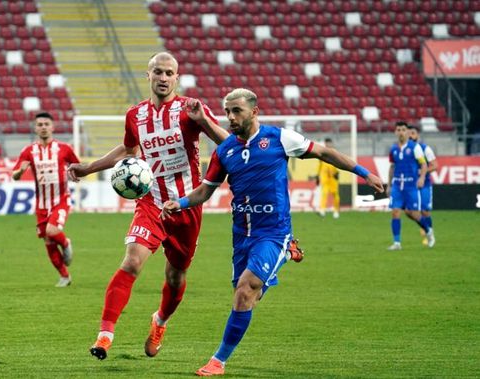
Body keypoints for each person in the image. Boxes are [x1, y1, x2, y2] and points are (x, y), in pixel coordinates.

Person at [160, 88, 384, 377]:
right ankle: (288, 253)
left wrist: (365, 174)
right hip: (242, 235)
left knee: (245, 290)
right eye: (227, 111)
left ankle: (218, 360)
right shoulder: (224, 151)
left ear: (254, 112)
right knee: (246, 296)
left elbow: (325, 153)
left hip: (273, 232)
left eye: (236, 111)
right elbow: (205, 191)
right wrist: (178, 203)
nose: (230, 117)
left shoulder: (279, 138)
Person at [67, 52, 229, 360]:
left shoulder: (190, 109)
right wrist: (88, 168)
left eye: (169, 73)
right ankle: (105, 335)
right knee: (132, 261)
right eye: (159, 72)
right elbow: (129, 149)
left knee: (175, 275)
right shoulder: (135, 115)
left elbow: (228, 143)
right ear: (148, 75)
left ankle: (160, 322)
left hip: (185, 205)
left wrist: (204, 121)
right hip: (151, 202)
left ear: (176, 77)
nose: (164, 78)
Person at [12, 112, 80, 287]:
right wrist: (20, 171)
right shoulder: (28, 151)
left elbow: (77, 166)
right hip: (41, 204)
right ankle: (64, 276)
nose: (43, 127)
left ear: (52, 127)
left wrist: (75, 173)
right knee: (48, 241)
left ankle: (66, 243)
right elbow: (15, 175)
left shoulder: (64, 148)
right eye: (40, 124)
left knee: (52, 231)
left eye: (46, 124)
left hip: (61, 200)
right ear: (35, 128)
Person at [386, 121, 435, 250]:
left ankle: (428, 231)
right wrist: (389, 185)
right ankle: (397, 243)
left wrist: (422, 178)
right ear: (395, 132)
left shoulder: (415, 147)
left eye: (403, 129)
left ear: (407, 132)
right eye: (399, 129)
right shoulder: (393, 149)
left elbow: (424, 164)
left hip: (411, 186)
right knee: (395, 212)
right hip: (397, 185)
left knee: (413, 214)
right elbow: (392, 167)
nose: (401, 132)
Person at [408, 124, 438, 245]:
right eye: (408, 133)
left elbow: (435, 165)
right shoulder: (405, 149)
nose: (410, 136)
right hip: (410, 186)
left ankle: (429, 235)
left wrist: (422, 172)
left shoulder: (425, 148)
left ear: (417, 135)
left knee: (425, 211)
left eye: (413, 133)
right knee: (409, 211)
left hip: (424, 184)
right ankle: (426, 229)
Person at [317, 138, 341, 218]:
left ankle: (336, 211)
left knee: (335, 194)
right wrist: (317, 175)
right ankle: (322, 210)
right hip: (324, 177)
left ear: (331, 143)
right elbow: (320, 165)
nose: (328, 144)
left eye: (329, 143)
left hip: (333, 177)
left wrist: (337, 172)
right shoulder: (322, 152)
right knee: (324, 193)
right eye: (327, 143)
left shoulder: (334, 152)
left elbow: (339, 163)